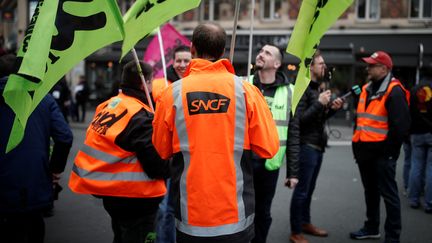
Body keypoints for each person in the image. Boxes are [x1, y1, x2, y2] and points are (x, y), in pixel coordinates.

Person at [152, 23, 279, 243]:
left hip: (191, 218)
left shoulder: (171, 93)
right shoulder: (246, 91)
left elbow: (160, 150)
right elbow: (268, 147)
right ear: (222, 51)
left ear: (192, 49)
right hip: (235, 218)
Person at [69, 60, 170, 243]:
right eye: (150, 81)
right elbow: (157, 167)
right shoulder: (140, 116)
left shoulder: (109, 104)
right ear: (143, 83)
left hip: (113, 195)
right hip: (136, 199)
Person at [0, 54, 73, 243]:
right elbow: (64, 137)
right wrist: (55, 169)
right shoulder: (43, 99)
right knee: (33, 229)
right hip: (34, 182)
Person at [350, 51, 410, 243]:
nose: (367, 68)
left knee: (389, 195)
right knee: (371, 192)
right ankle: (371, 227)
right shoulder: (367, 88)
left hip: (382, 156)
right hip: (365, 153)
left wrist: (389, 155)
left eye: (372, 65)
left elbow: (400, 128)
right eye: (368, 65)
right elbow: (361, 120)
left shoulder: (395, 91)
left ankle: (393, 237)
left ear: (384, 68)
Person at [288, 50, 344, 243]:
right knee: (302, 190)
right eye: (320, 64)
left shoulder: (316, 89)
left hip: (318, 145)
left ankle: (305, 222)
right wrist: (320, 104)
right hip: (306, 147)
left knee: (309, 189)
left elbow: (316, 120)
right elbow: (299, 121)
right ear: (310, 67)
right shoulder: (302, 89)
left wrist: (331, 110)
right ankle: (296, 231)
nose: (324, 67)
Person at [249, 44, 299, 243]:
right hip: (243, 162)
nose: (261, 54)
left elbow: (294, 132)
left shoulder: (290, 92)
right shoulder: (244, 84)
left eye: (267, 53)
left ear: (277, 64)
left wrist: (293, 172)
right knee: (240, 210)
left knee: (263, 211)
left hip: (269, 163)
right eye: (260, 51)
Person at [153, 48, 191, 243]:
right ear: (172, 62)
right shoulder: (159, 85)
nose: (182, 65)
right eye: (179, 60)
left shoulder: (195, 83)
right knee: (166, 208)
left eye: (186, 60)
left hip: (190, 155)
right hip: (168, 155)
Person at [407, 67, 432, 213]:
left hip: (416, 132)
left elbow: (409, 110)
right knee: (430, 168)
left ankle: (414, 199)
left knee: (416, 166)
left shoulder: (414, 90)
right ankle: (429, 203)